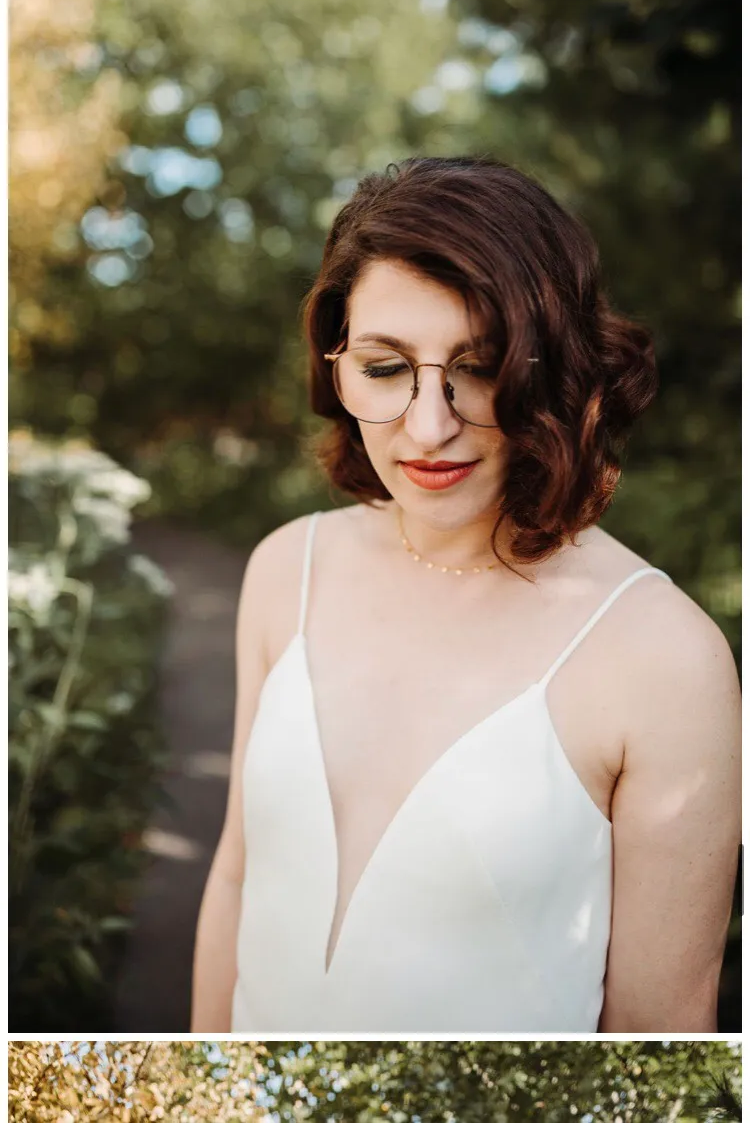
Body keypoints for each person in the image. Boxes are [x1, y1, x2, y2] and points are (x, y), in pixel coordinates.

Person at [191, 155, 740, 1033]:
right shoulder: (286, 569)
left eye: (480, 366)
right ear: (336, 366)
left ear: (557, 370)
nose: (429, 425)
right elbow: (236, 876)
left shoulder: (666, 660)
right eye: (384, 368)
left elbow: (659, 1027)